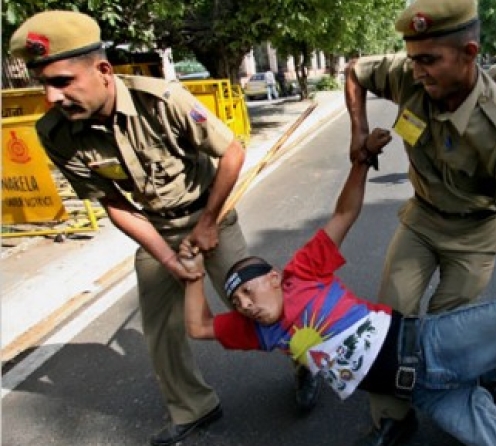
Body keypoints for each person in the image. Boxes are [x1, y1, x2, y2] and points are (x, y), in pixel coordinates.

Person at [178, 127, 496, 446]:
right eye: (237, 301)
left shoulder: (304, 272)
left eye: (249, 291)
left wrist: (361, 162)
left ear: (276, 277)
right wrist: (196, 273)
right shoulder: (263, 333)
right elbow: (199, 327)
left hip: (432, 346)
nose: (243, 305)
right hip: (426, 393)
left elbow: (344, 215)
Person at [8, 10, 319, 445]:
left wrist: (208, 224)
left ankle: (305, 362)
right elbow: (115, 204)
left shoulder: (162, 100)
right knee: (161, 332)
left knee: (266, 307)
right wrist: (168, 259)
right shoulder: (56, 133)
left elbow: (231, 153)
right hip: (157, 227)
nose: (51, 97)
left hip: (211, 215)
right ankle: (195, 407)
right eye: (43, 84)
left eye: (61, 81)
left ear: (101, 70)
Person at [344, 0, 496, 444]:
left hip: (473, 235)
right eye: (413, 60)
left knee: (450, 332)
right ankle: (393, 416)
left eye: (429, 61)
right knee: (393, 317)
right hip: (421, 220)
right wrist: (357, 131)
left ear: (469, 53)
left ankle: (469, 389)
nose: (418, 72)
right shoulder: (408, 73)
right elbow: (354, 70)